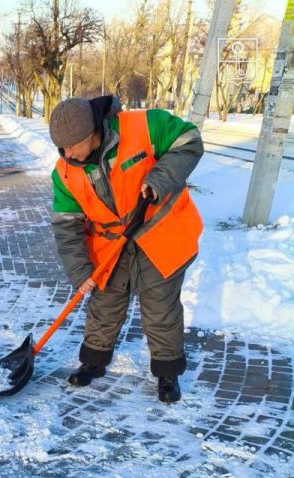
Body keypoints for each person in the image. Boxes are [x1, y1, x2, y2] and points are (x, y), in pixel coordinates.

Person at [48, 95, 204, 403]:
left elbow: (190, 140)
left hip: (160, 233)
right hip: (110, 246)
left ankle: (167, 372)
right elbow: (66, 227)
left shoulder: (145, 126)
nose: (66, 154)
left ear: (90, 133)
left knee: (160, 310)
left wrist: (161, 178)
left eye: (71, 146)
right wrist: (81, 271)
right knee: (104, 306)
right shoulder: (64, 172)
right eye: (61, 148)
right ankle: (93, 361)